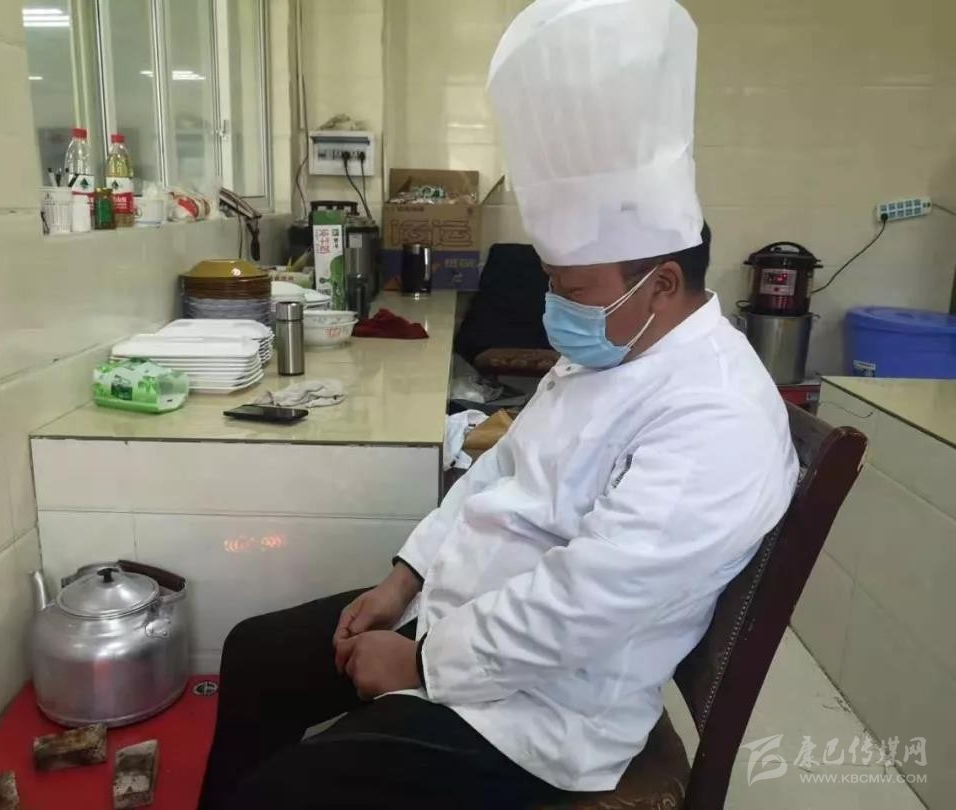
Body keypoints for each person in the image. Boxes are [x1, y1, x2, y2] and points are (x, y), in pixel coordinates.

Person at [198, 1, 800, 807]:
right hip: (462, 619)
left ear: (661, 284)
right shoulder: (613, 350)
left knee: (284, 792)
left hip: (542, 707)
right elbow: (501, 472)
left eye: (572, 288)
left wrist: (419, 663)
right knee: (257, 653)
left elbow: (586, 602)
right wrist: (406, 577)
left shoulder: (720, 417)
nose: (555, 306)